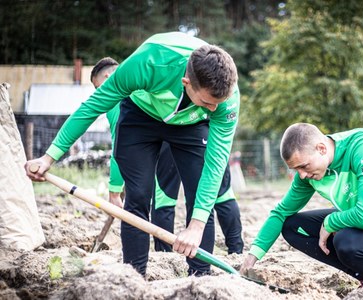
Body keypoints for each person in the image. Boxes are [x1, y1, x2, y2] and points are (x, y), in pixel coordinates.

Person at [25, 32, 240, 276]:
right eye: (208, 102)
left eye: (218, 103)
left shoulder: (227, 98)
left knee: (199, 195)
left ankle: (201, 278)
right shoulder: (148, 62)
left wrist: (196, 225)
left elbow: (215, 164)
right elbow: (93, 106)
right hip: (141, 116)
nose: (215, 109)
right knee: (137, 197)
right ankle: (133, 277)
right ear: (186, 82)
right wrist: (49, 157)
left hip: (191, 124)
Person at [240, 123, 363, 284]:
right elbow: (281, 212)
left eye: (303, 166)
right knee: (292, 227)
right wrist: (251, 259)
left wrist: (331, 222)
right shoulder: (309, 174)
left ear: (321, 148)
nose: (301, 175)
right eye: (296, 169)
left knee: (346, 240)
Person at [90, 57, 243, 255]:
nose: (99, 93)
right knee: (219, 194)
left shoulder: (122, 95)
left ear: (108, 77)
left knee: (165, 197)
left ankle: (164, 254)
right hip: (196, 135)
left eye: (97, 87)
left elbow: (119, 148)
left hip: (177, 140)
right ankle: (236, 251)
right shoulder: (148, 77)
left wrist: (114, 191)